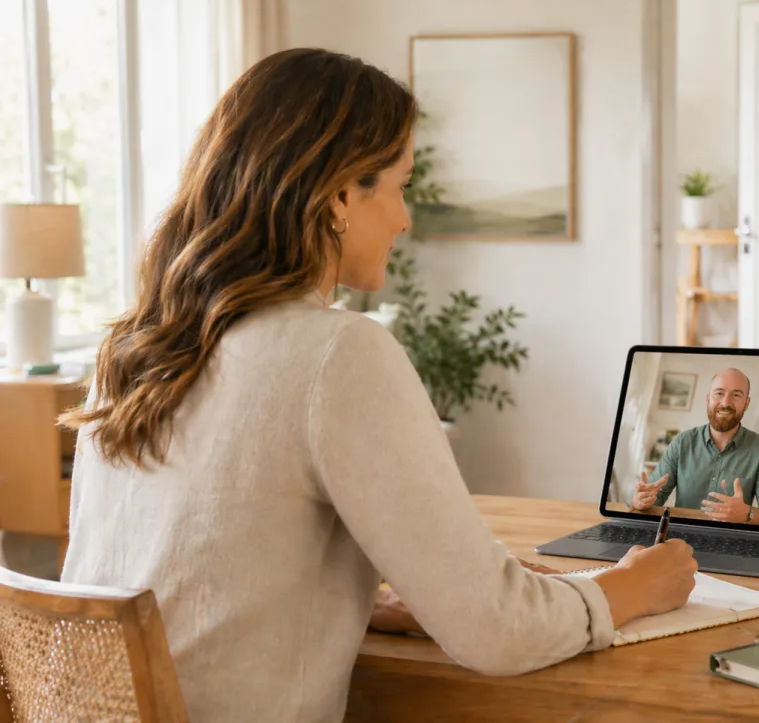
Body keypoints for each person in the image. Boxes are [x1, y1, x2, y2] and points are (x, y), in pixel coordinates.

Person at [58, 48, 697, 723]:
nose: (404, 219)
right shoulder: (336, 352)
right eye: (398, 186)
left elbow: (190, 571)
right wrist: (630, 587)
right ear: (338, 196)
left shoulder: (131, 348)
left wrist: (362, 601)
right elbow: (496, 628)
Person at [628, 368, 759, 525]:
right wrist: (639, 499)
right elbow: (652, 495)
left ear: (746, 403)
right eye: (719, 393)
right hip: (680, 539)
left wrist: (748, 514)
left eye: (736, 395)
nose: (726, 403)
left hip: (733, 540)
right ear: (708, 399)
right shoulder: (682, 442)